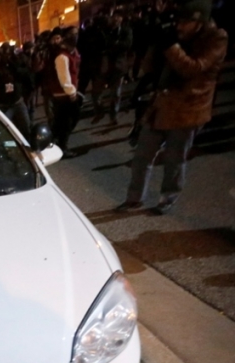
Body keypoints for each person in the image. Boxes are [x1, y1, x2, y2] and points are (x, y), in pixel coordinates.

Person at [116, 0, 228, 213]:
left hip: (189, 108)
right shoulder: (177, 36)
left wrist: (171, 46)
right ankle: (134, 198)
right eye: (179, 21)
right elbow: (149, 68)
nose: (180, 26)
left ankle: (167, 199)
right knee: (141, 156)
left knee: (174, 159)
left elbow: (193, 68)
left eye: (186, 22)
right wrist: (156, 43)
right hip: (160, 105)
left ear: (200, 21)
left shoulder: (216, 37)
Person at [43, 27, 83, 157]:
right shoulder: (62, 56)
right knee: (67, 121)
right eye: (72, 35)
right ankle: (61, 146)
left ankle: (53, 142)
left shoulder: (71, 53)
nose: (75, 36)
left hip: (66, 93)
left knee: (61, 122)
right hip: (63, 94)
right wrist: (71, 92)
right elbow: (64, 77)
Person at [91, 10, 133, 125]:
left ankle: (113, 115)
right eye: (114, 16)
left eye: (118, 17)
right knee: (96, 93)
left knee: (116, 93)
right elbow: (99, 45)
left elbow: (127, 45)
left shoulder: (125, 30)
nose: (115, 19)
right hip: (104, 65)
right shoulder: (105, 30)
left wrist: (113, 46)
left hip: (118, 66)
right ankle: (99, 112)